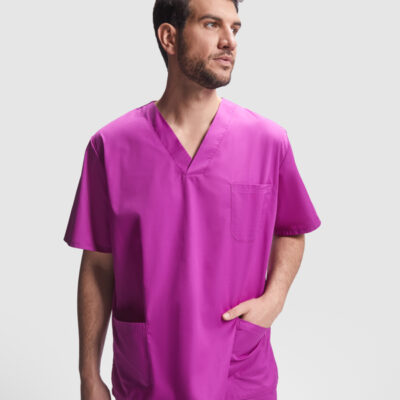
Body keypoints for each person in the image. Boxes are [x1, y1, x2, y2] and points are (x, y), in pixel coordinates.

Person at [63, 0, 322, 399]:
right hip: (149, 375)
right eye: (211, 24)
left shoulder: (268, 142)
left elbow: (291, 228)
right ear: (169, 37)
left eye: (235, 28)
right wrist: (89, 375)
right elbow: (98, 264)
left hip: (237, 371)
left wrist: (275, 298)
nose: (229, 41)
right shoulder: (111, 147)